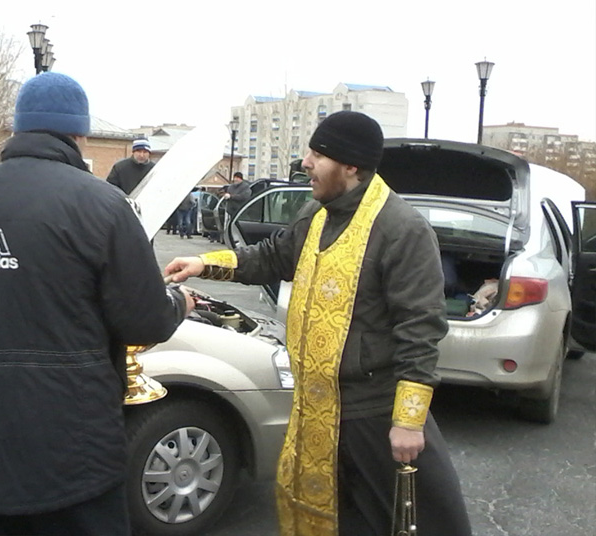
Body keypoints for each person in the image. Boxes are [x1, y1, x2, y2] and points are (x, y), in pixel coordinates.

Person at [165, 111, 471, 536]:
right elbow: (272, 257)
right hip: (315, 406)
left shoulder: (402, 229)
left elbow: (421, 327)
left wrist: (407, 420)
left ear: (351, 166)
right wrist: (204, 263)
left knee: (419, 523)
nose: (305, 163)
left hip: (374, 412)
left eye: (318, 155)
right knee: (341, 521)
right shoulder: (317, 213)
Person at [0, 72, 194, 536]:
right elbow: (145, 320)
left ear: (18, 128)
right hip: (73, 448)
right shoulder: (103, 206)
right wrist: (179, 301)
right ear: (79, 134)